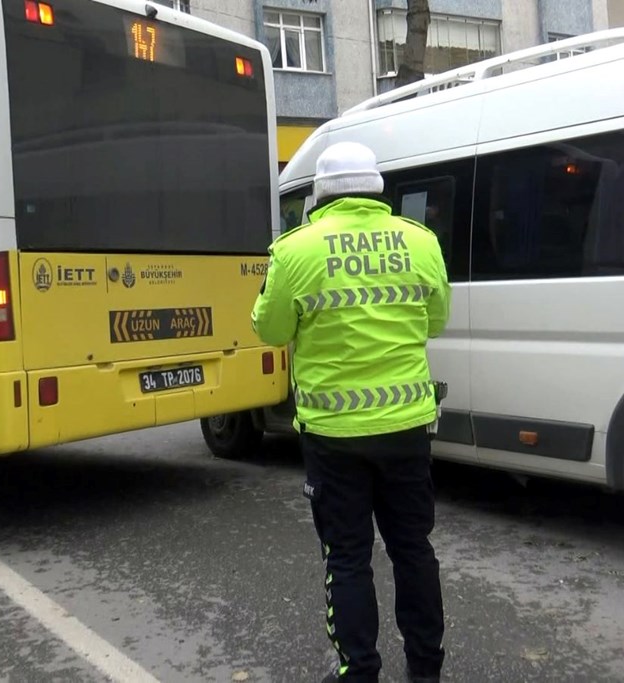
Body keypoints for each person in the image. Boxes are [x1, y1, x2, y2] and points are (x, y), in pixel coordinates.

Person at [251, 141, 451, 683]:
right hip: (408, 427)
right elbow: (436, 321)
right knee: (413, 549)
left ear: (319, 195)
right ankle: (425, 672)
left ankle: (359, 671)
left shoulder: (294, 250)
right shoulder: (421, 241)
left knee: (347, 557)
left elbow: (269, 331)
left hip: (333, 435)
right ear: (376, 190)